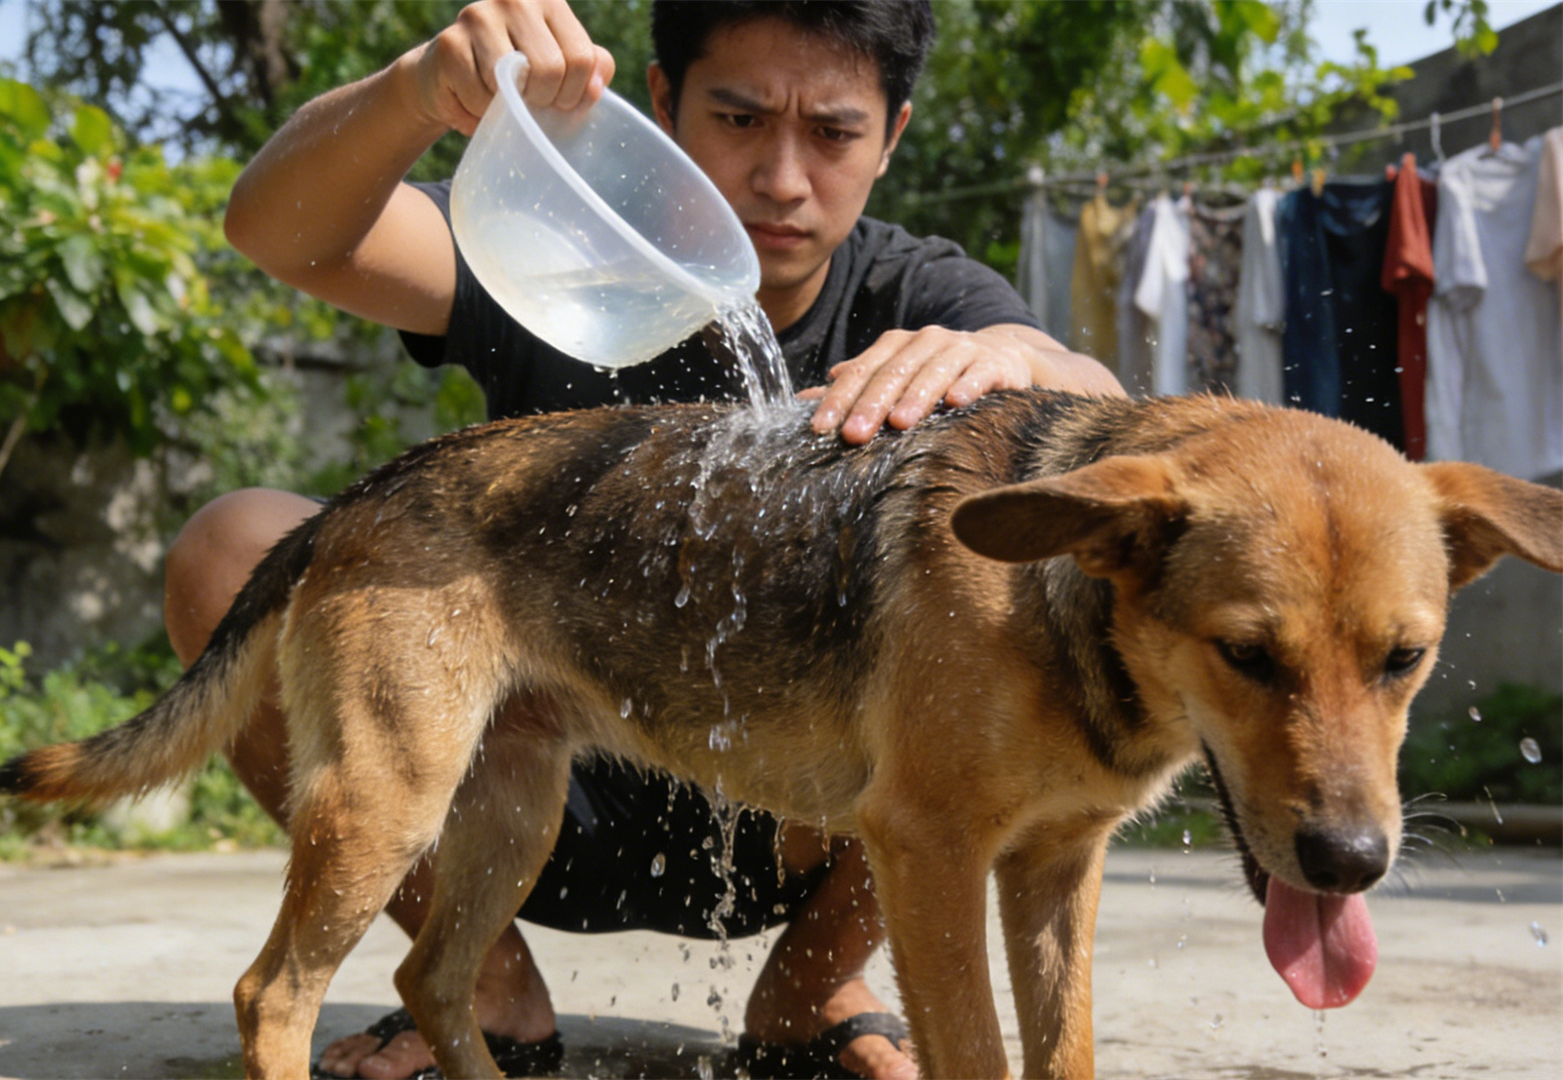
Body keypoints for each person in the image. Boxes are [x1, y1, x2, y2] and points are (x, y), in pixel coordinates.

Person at [186, 3, 1124, 1078]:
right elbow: (274, 229)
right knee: (239, 546)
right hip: (533, 790)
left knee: (983, 639)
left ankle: (813, 987)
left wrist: (1018, 352)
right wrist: (412, 89)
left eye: (832, 132)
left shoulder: (923, 299)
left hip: (812, 817)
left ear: (893, 136)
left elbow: (1096, 403)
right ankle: (482, 987)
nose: (782, 177)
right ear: (663, 103)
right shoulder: (556, 255)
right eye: (737, 117)